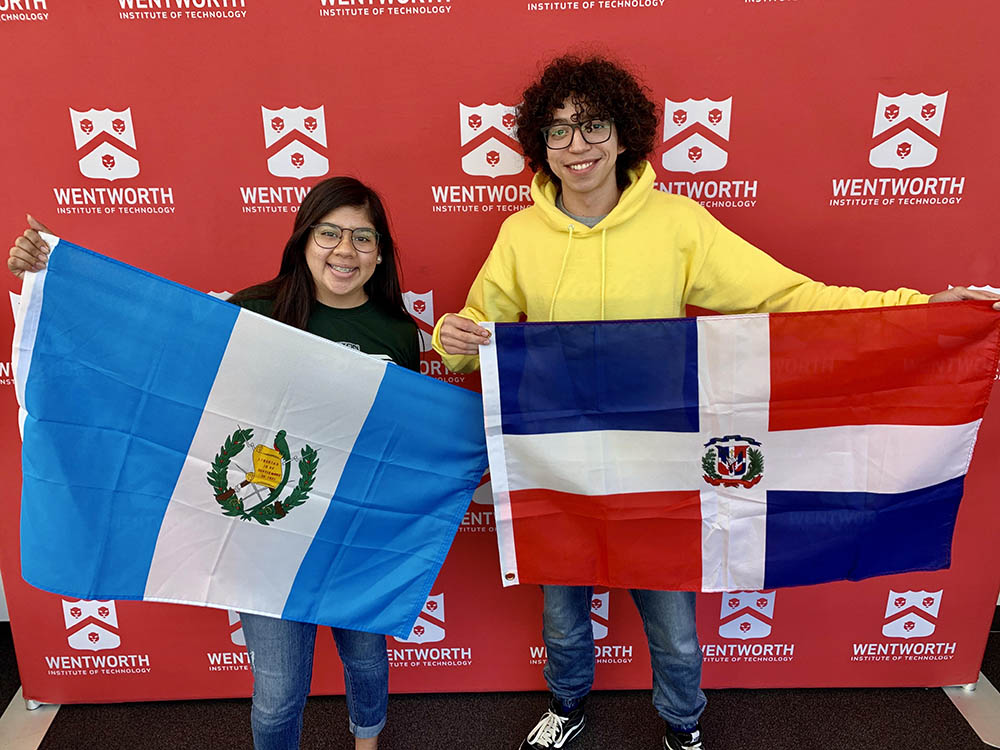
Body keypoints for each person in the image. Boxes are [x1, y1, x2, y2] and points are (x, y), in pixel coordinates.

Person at [432, 55, 1000, 750]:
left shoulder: (677, 224)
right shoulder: (521, 235)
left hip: (661, 457)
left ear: (624, 135)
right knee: (561, 615)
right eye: (557, 131)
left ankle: (682, 723)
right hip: (561, 463)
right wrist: (450, 332)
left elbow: (789, 298)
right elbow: (473, 336)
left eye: (592, 126)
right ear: (539, 144)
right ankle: (566, 704)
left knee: (671, 621)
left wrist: (918, 310)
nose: (576, 146)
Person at [9, 176, 420, 750]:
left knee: (367, 658)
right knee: (278, 688)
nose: (345, 251)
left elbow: (407, 441)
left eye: (362, 238)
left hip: (356, 534)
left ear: (381, 253)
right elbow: (148, 335)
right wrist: (58, 272)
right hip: (263, 535)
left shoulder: (398, 332)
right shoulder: (252, 311)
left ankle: (368, 741)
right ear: (303, 239)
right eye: (329, 233)